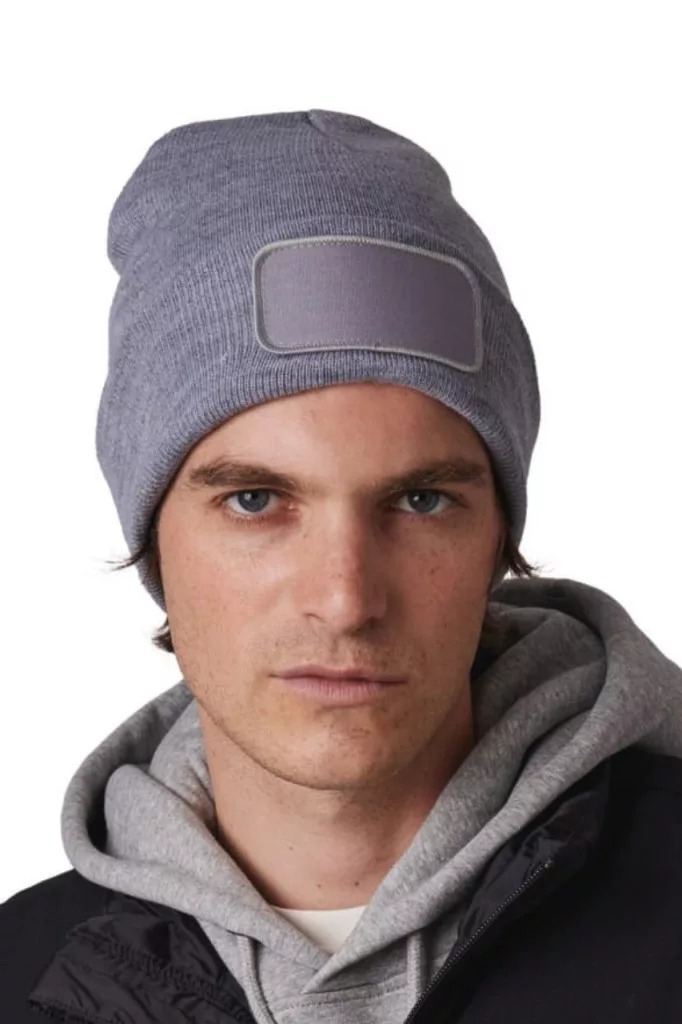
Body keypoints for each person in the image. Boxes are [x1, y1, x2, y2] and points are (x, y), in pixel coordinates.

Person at [2, 109, 681, 1024]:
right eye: (255, 501)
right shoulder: (23, 977)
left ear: (497, 536)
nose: (346, 597)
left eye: (421, 501)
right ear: (155, 539)